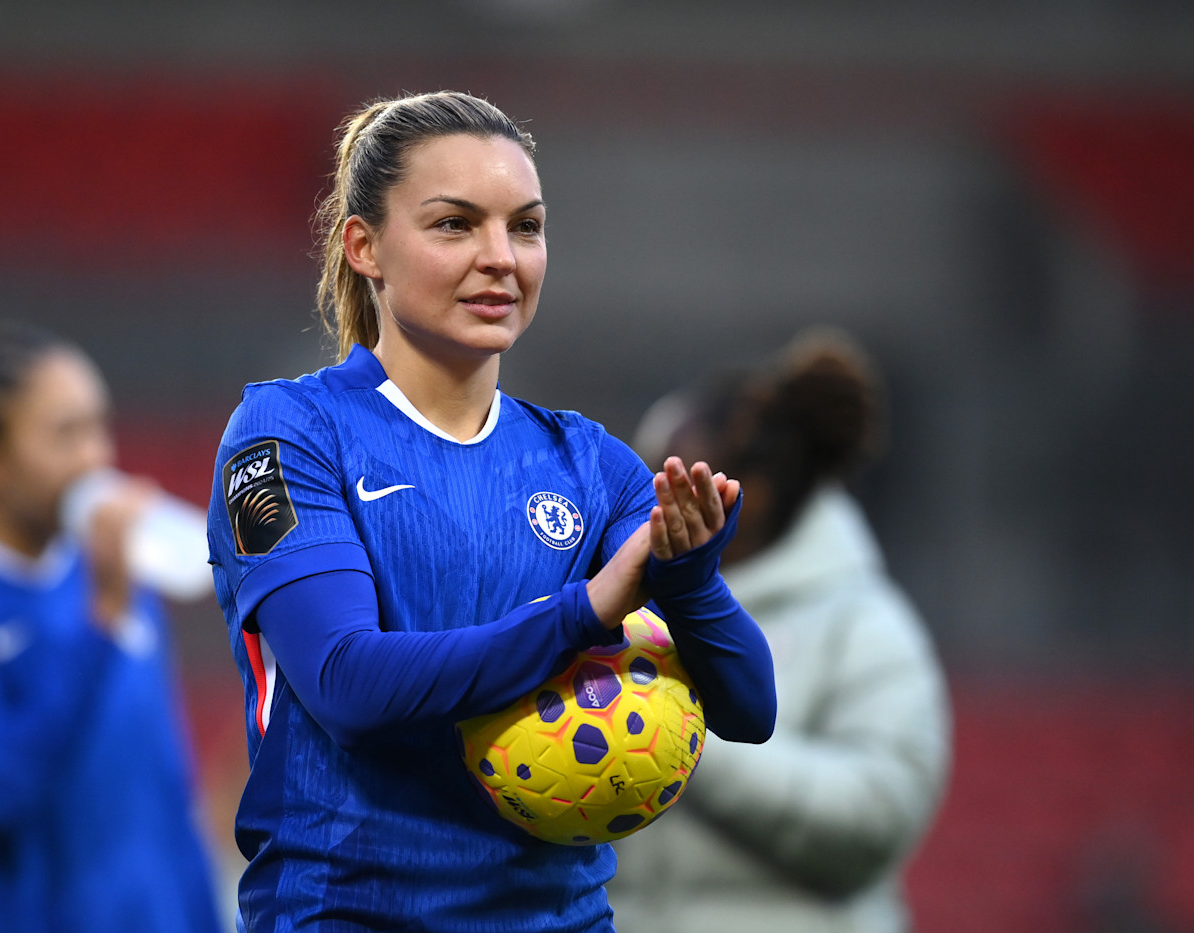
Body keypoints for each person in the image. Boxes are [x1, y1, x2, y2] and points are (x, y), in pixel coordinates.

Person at [206, 90, 777, 933]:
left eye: (526, 226)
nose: (500, 257)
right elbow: (346, 685)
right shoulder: (287, 435)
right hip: (349, 914)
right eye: (453, 225)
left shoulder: (588, 462)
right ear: (365, 247)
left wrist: (689, 582)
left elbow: (750, 709)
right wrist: (582, 611)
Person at [0, 322, 223, 933]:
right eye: (65, 434)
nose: (97, 458)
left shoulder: (107, 565)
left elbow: (164, 793)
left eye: (98, 426)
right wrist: (97, 624)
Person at [608, 328, 952, 933]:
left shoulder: (865, 626)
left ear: (753, 495)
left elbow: (874, 821)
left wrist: (669, 733)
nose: (648, 506)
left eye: (672, 486)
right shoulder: (627, 607)